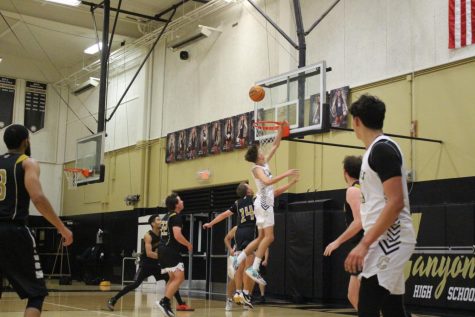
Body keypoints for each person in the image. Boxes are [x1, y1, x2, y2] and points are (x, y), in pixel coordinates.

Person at [344, 95, 416, 317]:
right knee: (392, 309)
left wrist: (364, 244)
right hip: (383, 239)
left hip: (392, 238)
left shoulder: (382, 149)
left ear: (356, 121)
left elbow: (396, 202)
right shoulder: (373, 152)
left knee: (367, 306)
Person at [0, 124, 73, 317]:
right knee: (36, 293)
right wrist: (61, 227)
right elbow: (38, 198)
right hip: (14, 231)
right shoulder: (27, 162)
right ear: (26, 141)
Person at [240, 122, 299, 286]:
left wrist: (280, 129)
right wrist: (286, 173)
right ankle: (254, 268)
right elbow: (267, 181)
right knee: (270, 237)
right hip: (264, 202)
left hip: (263, 201)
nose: (262, 151)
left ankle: (238, 260)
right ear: (257, 156)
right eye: (260, 151)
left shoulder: (264, 163)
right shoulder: (256, 168)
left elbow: (275, 145)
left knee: (261, 237)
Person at [107, 215, 193, 312]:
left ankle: (180, 304)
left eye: (161, 219)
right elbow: (149, 254)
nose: (160, 221)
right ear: (152, 223)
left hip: (158, 264)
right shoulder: (148, 235)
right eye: (158, 219)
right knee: (135, 284)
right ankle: (113, 299)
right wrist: (165, 257)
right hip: (146, 264)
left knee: (172, 279)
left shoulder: (163, 234)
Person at [324, 155, 364, 310]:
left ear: (345, 172)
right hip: (366, 243)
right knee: (354, 295)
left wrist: (337, 241)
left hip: (363, 244)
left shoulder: (353, 190)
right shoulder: (364, 188)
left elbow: (359, 221)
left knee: (362, 296)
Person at [156, 193, 193, 317]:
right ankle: (165, 302)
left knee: (172, 278)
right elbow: (177, 235)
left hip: (162, 249)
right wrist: (188, 244)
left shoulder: (166, 216)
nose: (182, 201)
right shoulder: (176, 217)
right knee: (179, 278)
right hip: (170, 250)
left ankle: (167, 305)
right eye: (180, 200)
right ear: (176, 205)